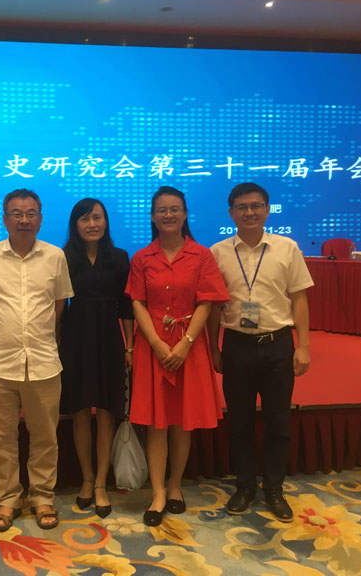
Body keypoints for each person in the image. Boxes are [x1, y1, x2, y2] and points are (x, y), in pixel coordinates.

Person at [0, 189, 73, 532]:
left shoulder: (55, 256)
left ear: (40, 219)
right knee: (1, 438)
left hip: (43, 361)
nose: (24, 220)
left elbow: (59, 304)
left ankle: (42, 496)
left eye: (30, 213)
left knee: (45, 436)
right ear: (5, 219)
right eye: (16, 213)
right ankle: (8, 498)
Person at [207, 181, 313, 523]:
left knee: (278, 421)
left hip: (277, 345)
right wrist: (213, 347)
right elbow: (213, 307)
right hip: (236, 346)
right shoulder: (218, 252)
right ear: (231, 213)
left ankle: (274, 489)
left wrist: (304, 346)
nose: (249, 212)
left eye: (256, 206)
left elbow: (299, 298)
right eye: (242, 207)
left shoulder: (287, 248)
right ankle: (245, 487)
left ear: (267, 210)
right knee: (239, 422)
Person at [125, 186, 229, 527]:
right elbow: (137, 303)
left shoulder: (201, 255)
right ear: (153, 217)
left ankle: (175, 486)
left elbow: (206, 302)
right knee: (157, 423)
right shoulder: (142, 258)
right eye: (162, 210)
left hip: (190, 346)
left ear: (184, 214)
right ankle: (157, 492)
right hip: (152, 346)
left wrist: (185, 343)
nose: (168, 215)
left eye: (175, 209)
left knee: (183, 421)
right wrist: (156, 343)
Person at [59, 198, 133, 518]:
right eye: (85, 219)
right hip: (75, 337)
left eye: (98, 217)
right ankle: (87, 479)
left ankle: (102, 481)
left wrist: (129, 347)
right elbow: (58, 304)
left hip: (108, 337)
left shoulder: (119, 257)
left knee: (105, 411)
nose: (92, 224)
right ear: (75, 224)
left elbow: (126, 307)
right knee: (79, 411)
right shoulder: (64, 257)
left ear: (106, 222)